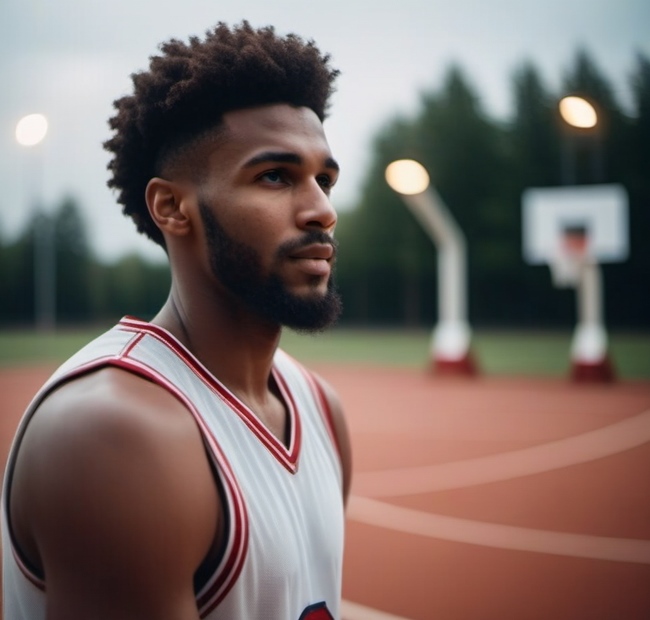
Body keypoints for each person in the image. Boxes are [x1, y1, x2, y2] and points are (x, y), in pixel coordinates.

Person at [2, 21, 352, 620]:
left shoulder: (320, 408)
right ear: (171, 207)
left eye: (323, 178)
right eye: (275, 176)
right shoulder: (114, 435)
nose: (322, 210)